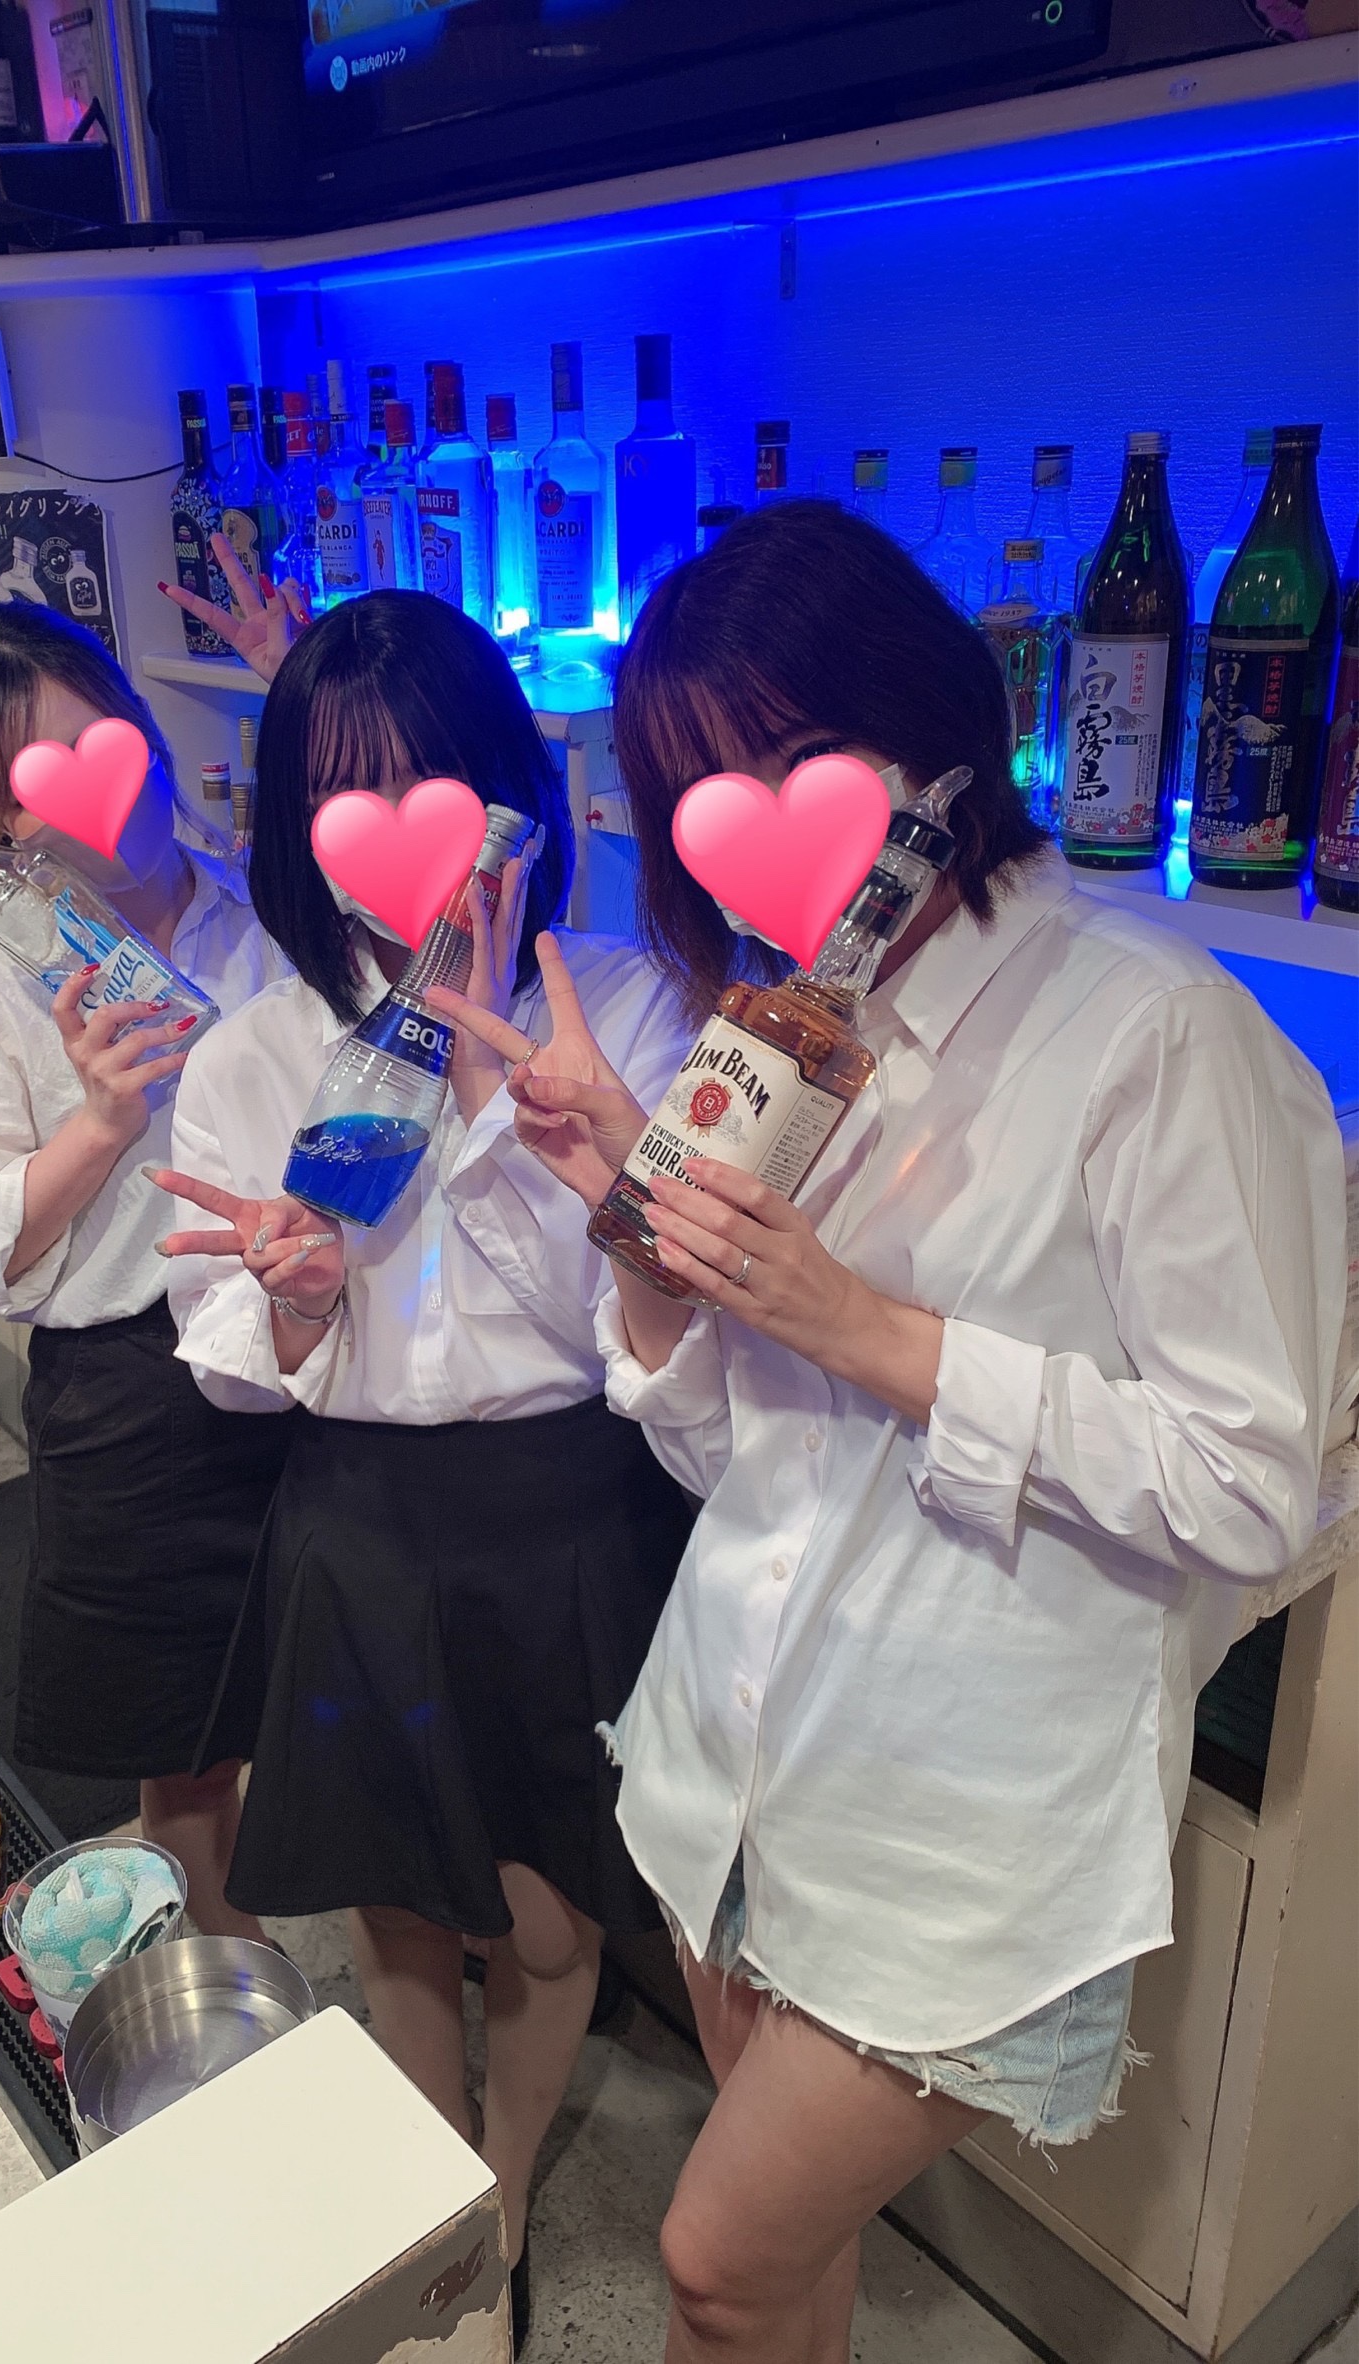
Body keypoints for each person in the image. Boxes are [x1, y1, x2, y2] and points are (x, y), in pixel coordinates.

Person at [436, 503, 1345, 2364]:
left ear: (937, 733)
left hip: (958, 1812)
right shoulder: (777, 1035)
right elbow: (725, 1454)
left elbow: (1253, 1486)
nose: (764, 830)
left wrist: (864, 1327)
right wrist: (637, 1222)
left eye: (799, 759)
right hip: (736, 1747)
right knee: (783, 2270)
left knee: (713, 2261)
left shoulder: (1157, 1035)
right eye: (702, 793)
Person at [152, 590, 694, 2344]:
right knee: (393, 1893)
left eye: (430, 784)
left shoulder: (625, 1011)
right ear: (297, 827)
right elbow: (228, 1363)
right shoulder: (256, 1049)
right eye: (342, 791)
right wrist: (297, 1300)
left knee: (545, 1914)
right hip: (358, 1518)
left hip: (564, 1514)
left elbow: (635, 1337)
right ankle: (437, 2200)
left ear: (507, 794)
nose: (396, 834)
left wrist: (491, 1100)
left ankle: (503, 2184)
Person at [0, 597, 291, 1938]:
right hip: (137, 1397)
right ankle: (239, 1997)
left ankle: (394, 1926)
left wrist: (295, 678)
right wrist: (102, 1124)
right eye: (40, 776)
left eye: (111, 742)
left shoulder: (266, 915)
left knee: (339, 1685)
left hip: (314, 1346)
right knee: (183, 1742)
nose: (101, 794)